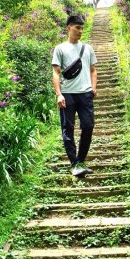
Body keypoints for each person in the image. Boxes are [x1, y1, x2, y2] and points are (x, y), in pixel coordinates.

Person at [52, 14, 97, 177]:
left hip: (85, 94)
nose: (80, 31)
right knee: (67, 129)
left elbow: (93, 70)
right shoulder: (60, 48)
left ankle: (81, 160)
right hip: (67, 94)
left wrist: (93, 87)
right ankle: (74, 163)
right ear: (68, 28)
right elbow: (56, 73)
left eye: (82, 28)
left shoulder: (88, 48)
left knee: (88, 126)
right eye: (77, 28)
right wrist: (59, 94)